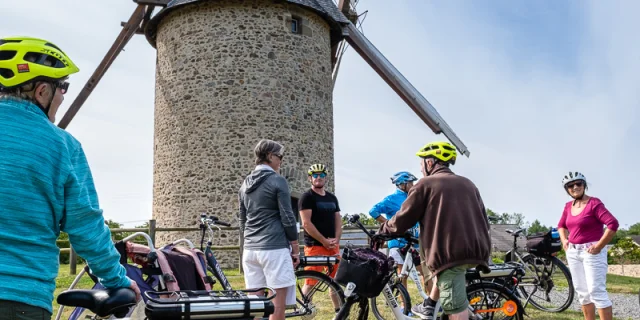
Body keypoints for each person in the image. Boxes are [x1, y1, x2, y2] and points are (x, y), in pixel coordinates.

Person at [0, 36, 140, 318]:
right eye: (62, 87)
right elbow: (86, 227)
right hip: (19, 298)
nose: (63, 96)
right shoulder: (62, 146)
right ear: (41, 91)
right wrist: (118, 280)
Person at [378, 141, 491, 320]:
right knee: (442, 275)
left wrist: (383, 231)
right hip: (477, 249)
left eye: (421, 164)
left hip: (452, 254)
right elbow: (484, 219)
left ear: (429, 162)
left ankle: (436, 307)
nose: (421, 170)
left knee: (455, 309)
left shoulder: (426, 184)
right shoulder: (468, 184)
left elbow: (403, 217)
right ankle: (430, 305)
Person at [238, 139, 299, 320]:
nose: (281, 160)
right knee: (276, 306)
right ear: (270, 156)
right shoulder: (278, 181)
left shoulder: (244, 184)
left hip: (250, 251)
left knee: (257, 307)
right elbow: (288, 217)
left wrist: (248, 240)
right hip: (273, 248)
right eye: (280, 156)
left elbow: (242, 220)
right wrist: (295, 244)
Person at [557, 171, 618, 320]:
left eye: (578, 183)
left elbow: (612, 224)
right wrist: (564, 240)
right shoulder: (567, 206)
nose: (575, 187)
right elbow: (561, 225)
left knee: (596, 292)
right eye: (570, 185)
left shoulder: (594, 203)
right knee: (583, 293)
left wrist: (599, 246)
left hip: (592, 252)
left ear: (584, 185)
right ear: (567, 189)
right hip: (573, 253)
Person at [368, 171, 424, 289]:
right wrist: (388, 224)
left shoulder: (413, 197)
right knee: (402, 274)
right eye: (410, 183)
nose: (413, 185)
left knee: (424, 272)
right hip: (397, 242)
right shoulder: (391, 199)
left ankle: (428, 303)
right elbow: (373, 211)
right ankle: (404, 305)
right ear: (401, 184)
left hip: (414, 241)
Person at [299, 163, 343, 311]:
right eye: (315, 175)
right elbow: (306, 223)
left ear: (326, 178)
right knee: (311, 280)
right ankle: (303, 310)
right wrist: (324, 241)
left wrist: (336, 239)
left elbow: (338, 218)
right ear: (310, 179)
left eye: (322, 175)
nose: (319, 178)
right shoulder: (307, 197)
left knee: (335, 280)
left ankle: (338, 312)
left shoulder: (332, 198)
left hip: (333, 245)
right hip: (315, 246)